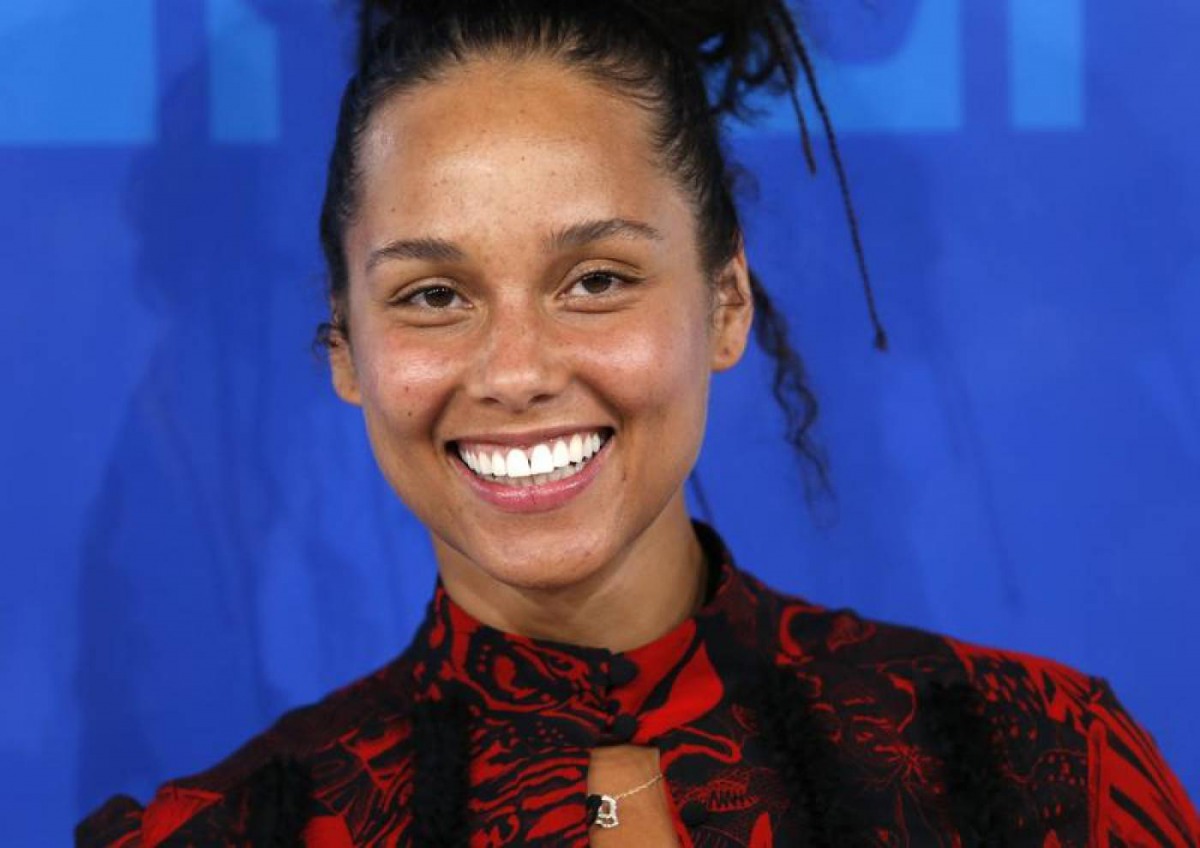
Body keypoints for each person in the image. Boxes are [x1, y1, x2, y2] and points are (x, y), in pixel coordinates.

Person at [78, 1, 1198, 845]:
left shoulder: (1036, 760)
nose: (515, 371)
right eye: (434, 295)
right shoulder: (237, 829)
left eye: (596, 279)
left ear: (724, 303)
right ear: (345, 350)